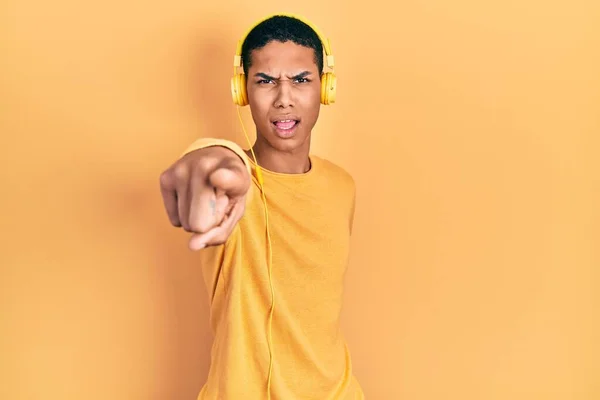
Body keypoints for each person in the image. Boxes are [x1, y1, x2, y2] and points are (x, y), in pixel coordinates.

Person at [159, 14, 364, 400]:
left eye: (301, 80)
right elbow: (213, 161)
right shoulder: (232, 184)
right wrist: (210, 160)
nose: (284, 98)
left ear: (325, 87)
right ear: (243, 90)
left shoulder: (343, 186)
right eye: (266, 81)